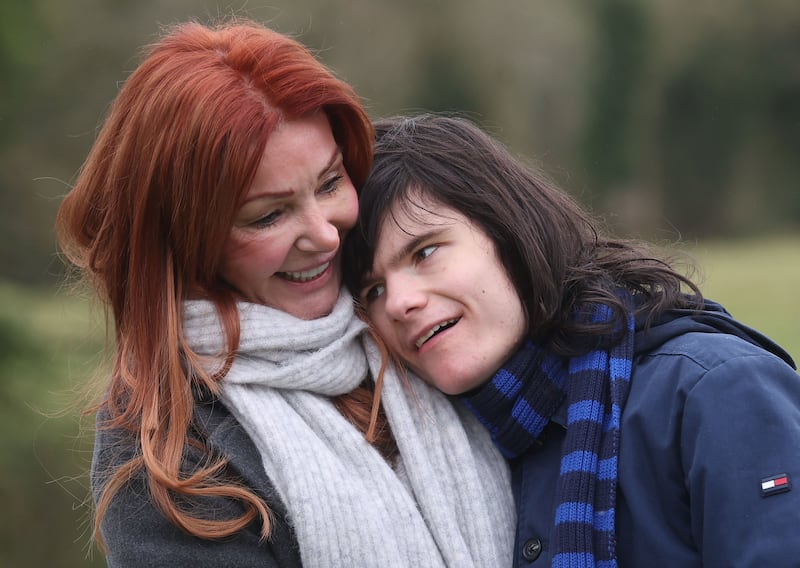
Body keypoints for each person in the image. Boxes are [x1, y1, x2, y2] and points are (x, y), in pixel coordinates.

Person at [55, 24, 515, 567]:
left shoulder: (412, 314)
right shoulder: (167, 451)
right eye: (269, 215)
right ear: (185, 244)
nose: (325, 235)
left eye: (329, 183)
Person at [343, 113, 800, 567]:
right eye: (373, 291)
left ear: (509, 231)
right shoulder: (448, 451)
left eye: (425, 252)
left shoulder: (714, 393)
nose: (399, 303)